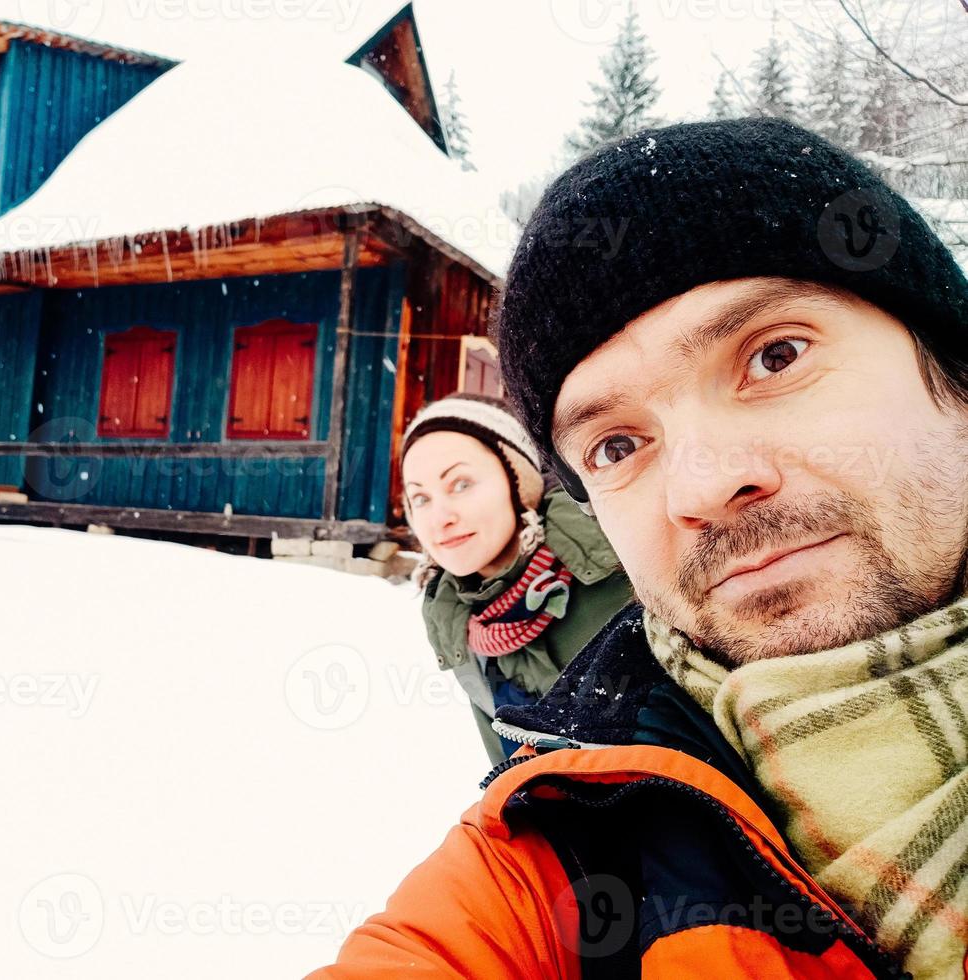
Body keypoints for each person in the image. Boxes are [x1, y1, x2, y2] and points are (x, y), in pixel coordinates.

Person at [310, 116, 968, 978]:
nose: (702, 487)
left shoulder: (585, 579)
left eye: (773, 356)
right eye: (615, 447)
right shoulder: (554, 871)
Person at [400, 392, 633, 765]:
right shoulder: (455, 619)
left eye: (461, 484)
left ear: (518, 483)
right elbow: (509, 770)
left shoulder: (618, 563)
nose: (439, 517)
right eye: (421, 498)